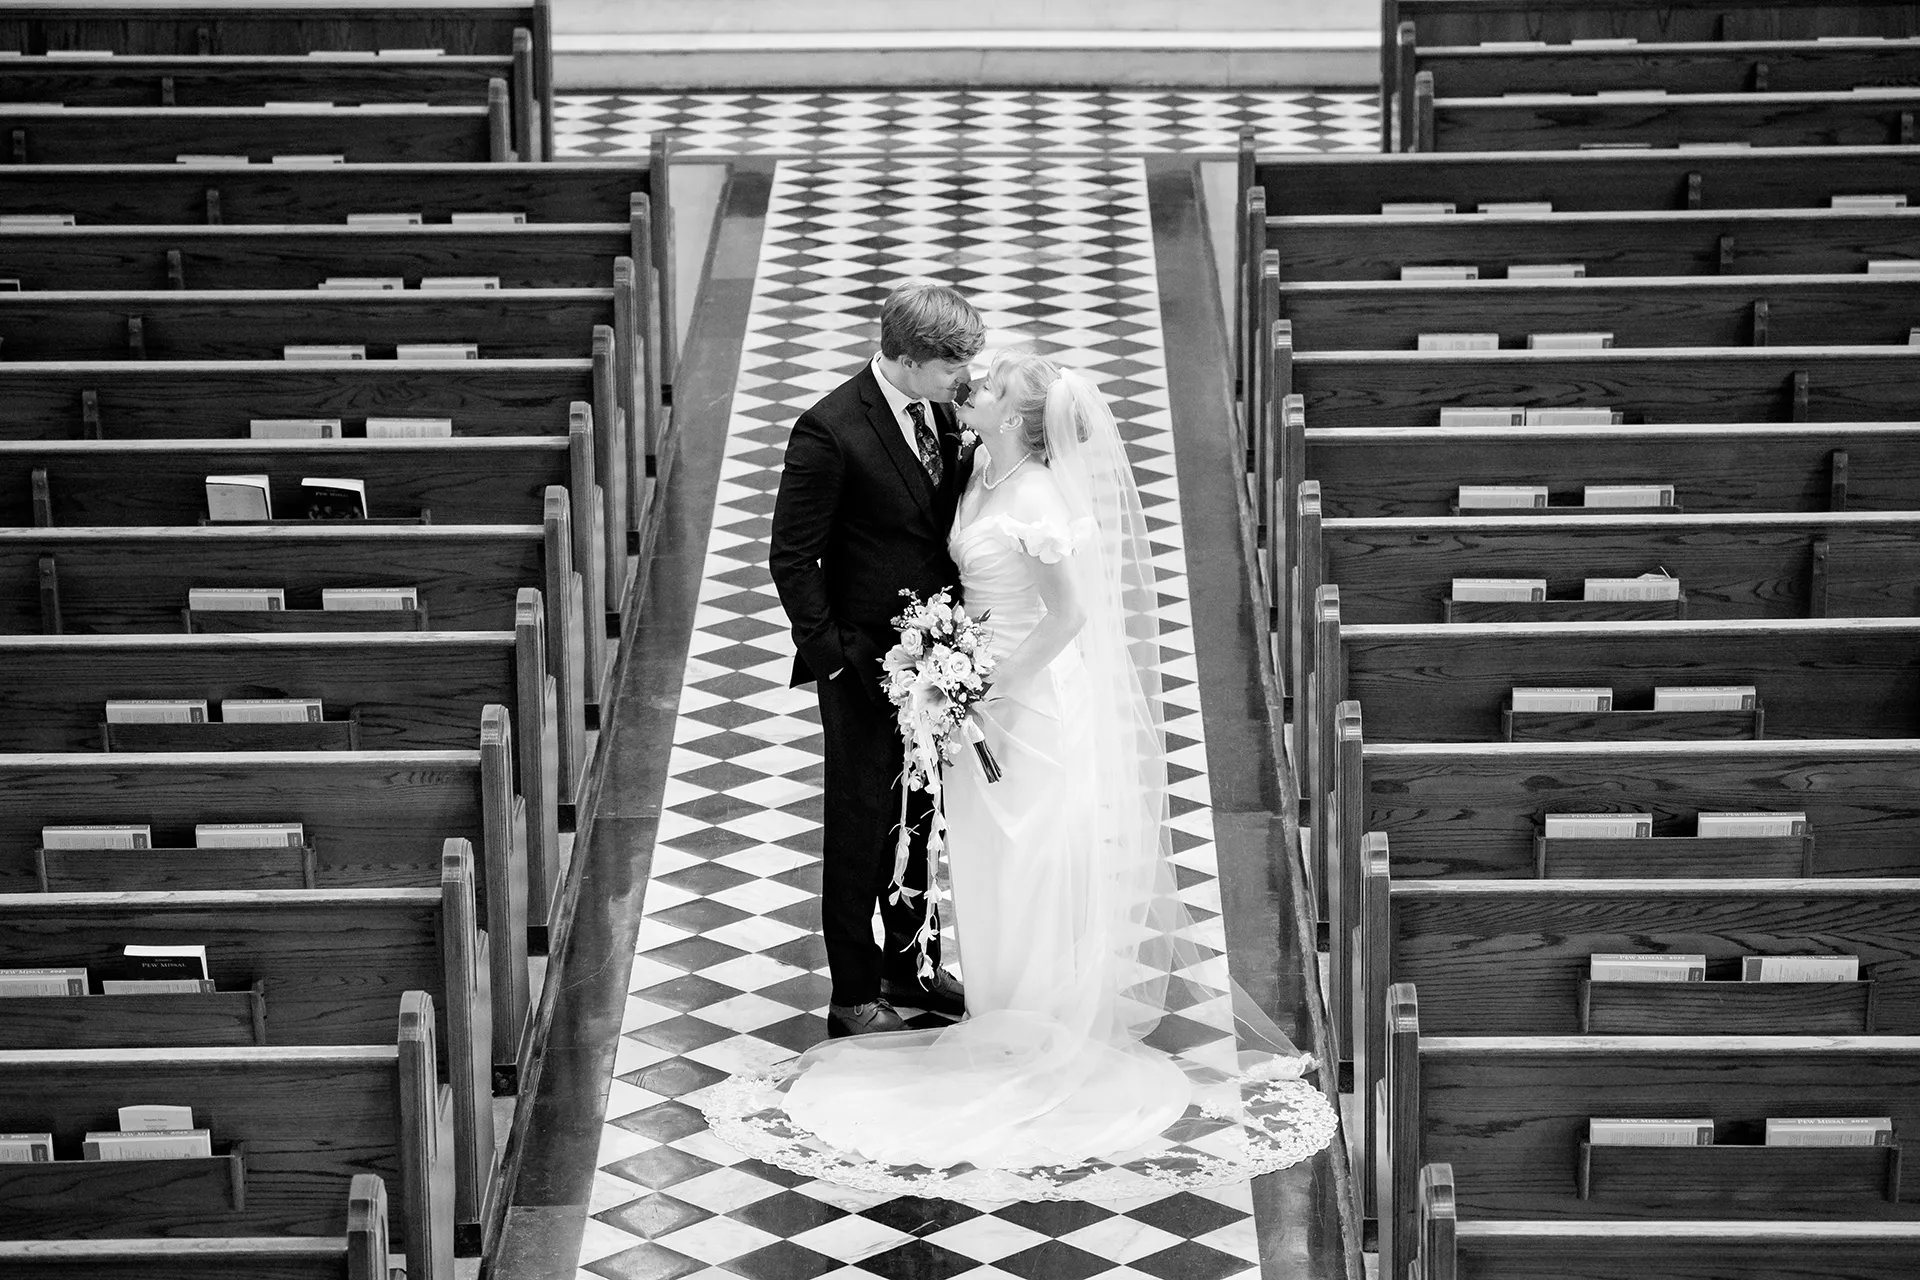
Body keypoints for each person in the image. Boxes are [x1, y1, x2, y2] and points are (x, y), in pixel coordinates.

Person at [709, 350, 1336, 1201]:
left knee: (1034, 848)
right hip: (972, 693)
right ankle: (993, 1006)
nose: (974, 388)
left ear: (1020, 418)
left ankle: (1038, 1024)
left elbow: (1071, 614)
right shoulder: (978, 466)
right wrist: (949, 672)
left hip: (1025, 701)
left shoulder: (1035, 493)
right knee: (979, 851)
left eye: (992, 385)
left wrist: (986, 681)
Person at [767, 280, 983, 1039]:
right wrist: (834, 662)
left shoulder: (943, 413)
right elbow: (792, 559)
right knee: (860, 826)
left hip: (937, 664)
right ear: (905, 357)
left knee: (918, 819)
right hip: (862, 669)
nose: (966, 378)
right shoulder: (830, 430)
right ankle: (854, 992)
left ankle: (912, 965)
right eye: (952, 364)